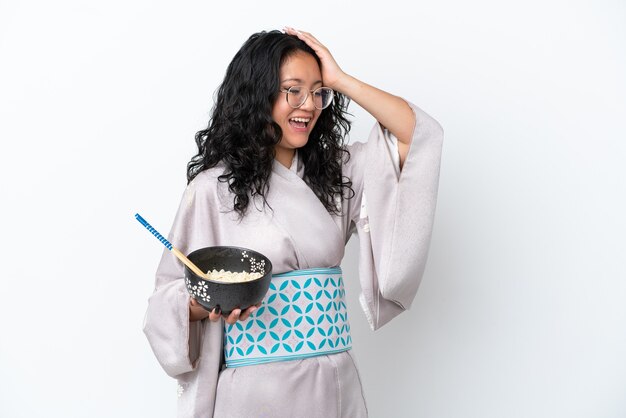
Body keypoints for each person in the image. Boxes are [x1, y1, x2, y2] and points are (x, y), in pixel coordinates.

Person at [143, 27, 443, 418]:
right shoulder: (212, 189)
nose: (309, 105)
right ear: (258, 95)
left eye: (318, 92)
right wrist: (208, 306)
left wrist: (341, 79)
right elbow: (164, 302)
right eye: (293, 90)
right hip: (257, 392)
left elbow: (417, 135)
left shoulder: (337, 172)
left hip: (335, 383)